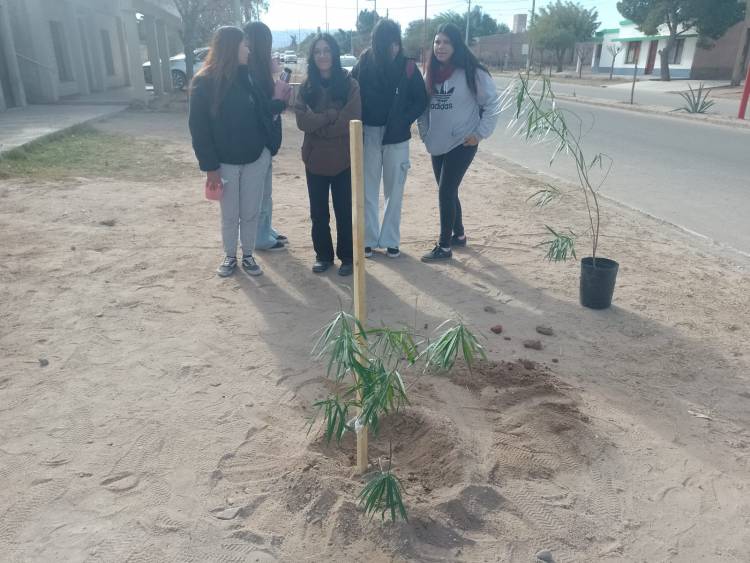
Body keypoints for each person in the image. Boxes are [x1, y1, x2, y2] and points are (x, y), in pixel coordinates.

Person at [188, 26, 271, 277]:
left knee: (250, 212)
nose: (248, 49)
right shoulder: (204, 82)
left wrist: (268, 148)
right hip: (224, 163)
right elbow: (199, 129)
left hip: (255, 158)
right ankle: (229, 255)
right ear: (231, 47)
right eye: (244, 45)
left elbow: (263, 112)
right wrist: (210, 167)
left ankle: (248, 256)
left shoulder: (249, 77)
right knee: (230, 214)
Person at [417, 23, 502, 262]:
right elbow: (423, 106)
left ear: (456, 45)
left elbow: (492, 105)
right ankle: (459, 234)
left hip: (463, 142)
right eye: (437, 42)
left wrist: (480, 133)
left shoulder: (473, 72)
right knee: (448, 191)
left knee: (446, 191)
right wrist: (424, 132)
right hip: (437, 142)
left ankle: (444, 247)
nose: (440, 47)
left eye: (446, 42)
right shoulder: (431, 72)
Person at [351, 19, 427, 259]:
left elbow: (420, 100)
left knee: (395, 190)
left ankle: (391, 239)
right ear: (378, 43)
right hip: (369, 134)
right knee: (368, 190)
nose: (394, 47)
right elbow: (351, 89)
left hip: (398, 137)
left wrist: (404, 120)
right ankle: (369, 239)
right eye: (388, 43)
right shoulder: (364, 62)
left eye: (397, 42)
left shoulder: (408, 67)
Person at [294, 34, 361, 276]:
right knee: (318, 212)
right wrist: (330, 116)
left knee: (344, 211)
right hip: (314, 160)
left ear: (334, 53)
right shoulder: (306, 87)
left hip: (343, 158)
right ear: (313, 56)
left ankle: (347, 257)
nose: (322, 55)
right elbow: (302, 120)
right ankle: (323, 255)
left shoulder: (349, 84)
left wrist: (320, 124)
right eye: (317, 51)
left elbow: (350, 118)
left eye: (326, 50)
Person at [243, 22, 292, 252]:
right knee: (260, 192)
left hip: (265, 136)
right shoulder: (249, 71)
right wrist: (279, 100)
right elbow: (261, 107)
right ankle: (259, 235)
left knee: (266, 189)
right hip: (257, 138)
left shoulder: (260, 69)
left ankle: (265, 228)